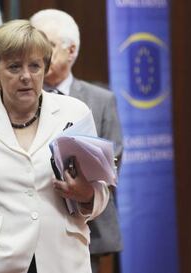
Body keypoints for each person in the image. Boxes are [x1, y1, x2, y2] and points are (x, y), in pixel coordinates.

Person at [0, 19, 109, 273]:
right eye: (14, 67)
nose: (26, 76)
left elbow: (100, 187)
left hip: (63, 260)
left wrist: (88, 196)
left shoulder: (74, 113)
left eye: (35, 66)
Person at [30, 9, 124, 273]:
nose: (37, 54)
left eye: (45, 45)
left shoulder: (100, 99)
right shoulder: (20, 96)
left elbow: (112, 160)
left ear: (70, 50)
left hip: (86, 227)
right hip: (28, 232)